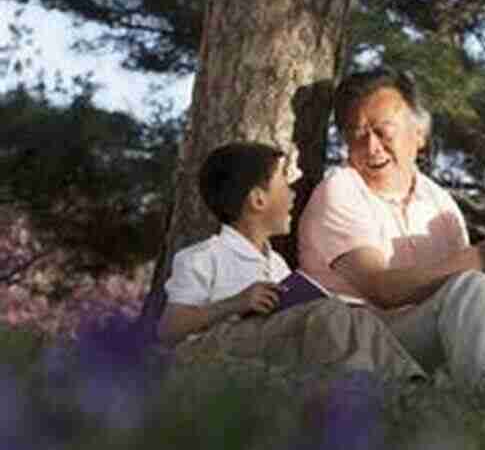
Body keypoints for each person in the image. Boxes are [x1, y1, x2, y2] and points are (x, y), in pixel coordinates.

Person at [297, 68, 485, 404]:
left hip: (428, 337)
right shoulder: (340, 190)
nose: (371, 147)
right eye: (357, 135)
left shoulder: (437, 200)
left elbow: (462, 304)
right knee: (470, 283)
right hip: (368, 345)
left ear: (419, 134)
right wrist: (481, 257)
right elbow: (382, 289)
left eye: (383, 132)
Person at [158, 141, 425, 380]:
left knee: (358, 317)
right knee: (328, 315)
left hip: (270, 349)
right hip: (213, 353)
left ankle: (413, 389)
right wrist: (236, 303)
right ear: (258, 199)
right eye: (284, 184)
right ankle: (364, 393)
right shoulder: (203, 258)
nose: (293, 194)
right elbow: (170, 329)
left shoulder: (276, 265)